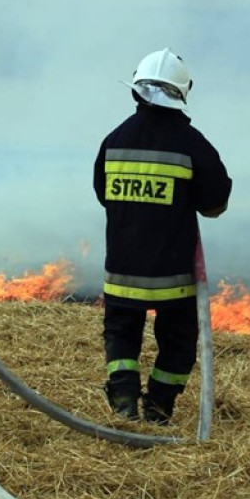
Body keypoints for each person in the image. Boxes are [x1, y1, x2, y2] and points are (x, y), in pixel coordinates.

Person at [93, 48, 232, 425]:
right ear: (182, 93)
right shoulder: (192, 145)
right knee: (178, 343)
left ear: (135, 91)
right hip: (174, 281)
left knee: (121, 339)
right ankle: (158, 408)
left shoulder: (114, 141)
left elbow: (104, 195)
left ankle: (123, 402)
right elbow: (216, 203)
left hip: (121, 274)